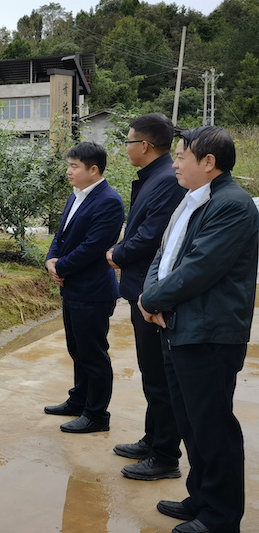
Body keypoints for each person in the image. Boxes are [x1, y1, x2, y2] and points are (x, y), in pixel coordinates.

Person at [139, 126, 258, 533]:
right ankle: (201, 499)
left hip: (209, 335)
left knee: (213, 427)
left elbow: (198, 269)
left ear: (209, 162)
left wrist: (151, 300)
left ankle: (221, 518)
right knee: (191, 423)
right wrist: (149, 295)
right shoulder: (192, 200)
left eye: (181, 156)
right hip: (180, 328)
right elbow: (164, 255)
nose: (174, 164)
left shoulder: (232, 205)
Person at [106, 113, 186, 481]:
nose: (125, 149)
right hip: (141, 290)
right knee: (151, 373)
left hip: (150, 294)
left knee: (160, 377)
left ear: (144, 145)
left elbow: (152, 236)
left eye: (127, 142)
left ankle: (165, 455)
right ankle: (153, 439)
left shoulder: (166, 180)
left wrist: (117, 253)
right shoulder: (154, 177)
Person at [44, 142, 124, 433]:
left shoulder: (109, 201)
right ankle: (79, 399)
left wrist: (61, 267)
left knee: (93, 353)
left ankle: (97, 414)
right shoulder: (76, 196)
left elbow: (93, 247)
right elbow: (61, 235)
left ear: (94, 169)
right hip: (73, 288)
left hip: (92, 291)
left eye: (74, 166)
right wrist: (51, 260)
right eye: (69, 165)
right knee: (77, 348)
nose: (69, 171)